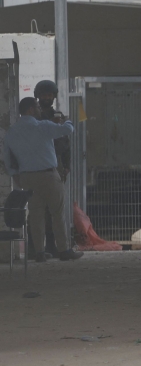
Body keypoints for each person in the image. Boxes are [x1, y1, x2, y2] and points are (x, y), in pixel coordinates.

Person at [3, 96, 83, 262]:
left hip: (26, 178)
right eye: (37, 107)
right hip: (48, 176)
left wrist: (15, 175)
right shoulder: (43, 126)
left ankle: (39, 252)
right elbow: (67, 131)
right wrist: (66, 121)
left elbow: (7, 158)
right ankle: (64, 250)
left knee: (35, 215)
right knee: (57, 213)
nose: (40, 109)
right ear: (31, 109)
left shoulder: (12, 131)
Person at [33, 80, 67, 258]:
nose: (47, 98)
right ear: (37, 96)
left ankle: (53, 246)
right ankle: (36, 249)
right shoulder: (33, 117)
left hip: (55, 165)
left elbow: (65, 144)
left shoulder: (59, 116)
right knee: (36, 210)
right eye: (44, 95)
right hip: (37, 166)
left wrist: (66, 167)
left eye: (50, 94)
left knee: (54, 210)